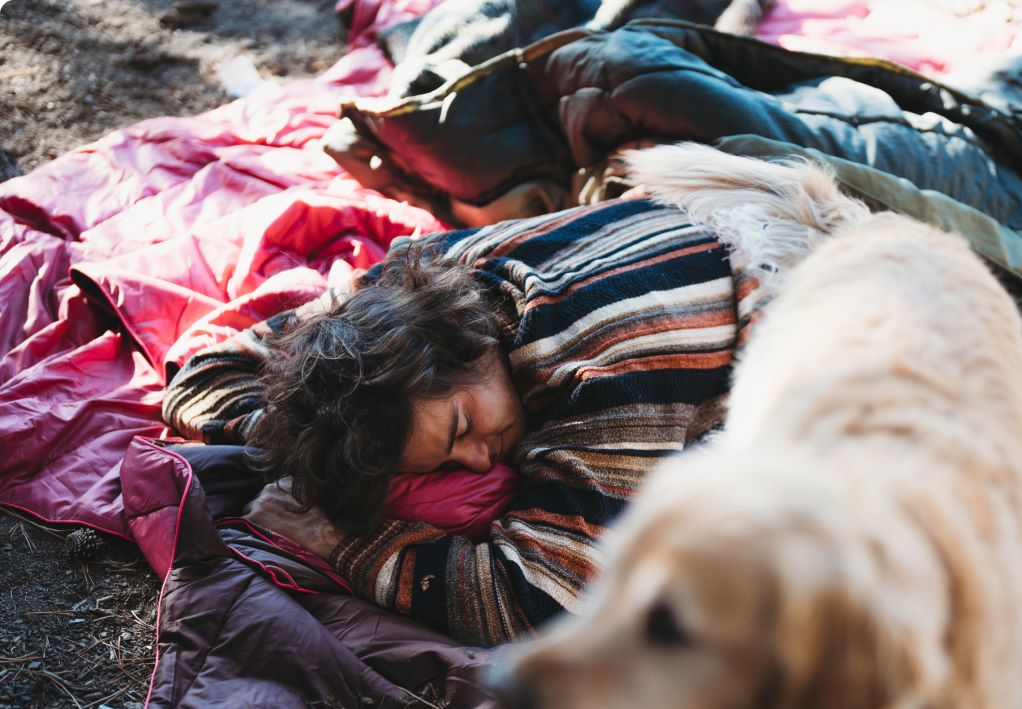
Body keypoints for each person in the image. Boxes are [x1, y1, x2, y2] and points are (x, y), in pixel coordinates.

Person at [162, 196, 761, 646]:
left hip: (773, 241)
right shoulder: (420, 286)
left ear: (469, 348)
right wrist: (311, 441)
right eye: (447, 463)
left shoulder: (600, 373)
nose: (480, 460)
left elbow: (536, 602)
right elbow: (205, 374)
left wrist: (338, 539)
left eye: (460, 428)